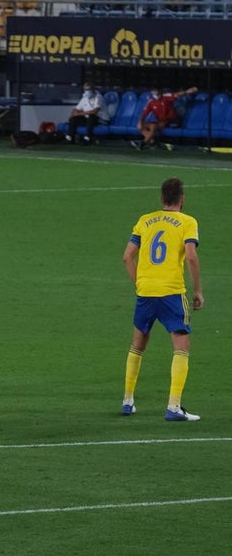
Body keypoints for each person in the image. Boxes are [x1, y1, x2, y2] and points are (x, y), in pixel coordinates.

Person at [120, 178, 202, 421]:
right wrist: (197, 290)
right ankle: (174, 407)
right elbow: (191, 256)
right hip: (171, 292)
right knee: (181, 346)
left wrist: (141, 285)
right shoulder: (187, 222)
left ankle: (127, 401)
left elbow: (127, 257)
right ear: (182, 199)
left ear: (161, 199)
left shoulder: (145, 220)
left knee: (137, 344)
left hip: (145, 293)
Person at [132, 86, 198, 151]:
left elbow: (176, 95)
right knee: (141, 126)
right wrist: (140, 122)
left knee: (153, 126)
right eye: (153, 91)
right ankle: (152, 142)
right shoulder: (151, 101)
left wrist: (187, 91)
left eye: (156, 90)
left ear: (159, 91)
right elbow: (144, 113)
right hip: (160, 121)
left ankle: (143, 143)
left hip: (171, 121)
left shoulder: (166, 97)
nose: (155, 92)